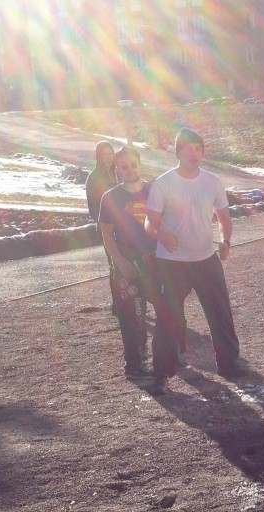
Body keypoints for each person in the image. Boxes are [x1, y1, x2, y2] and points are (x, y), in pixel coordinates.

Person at [145, 128, 244, 396]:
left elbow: (224, 218)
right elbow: (149, 223)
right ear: (178, 152)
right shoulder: (163, 183)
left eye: (199, 148)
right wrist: (161, 234)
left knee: (220, 312)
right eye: (189, 148)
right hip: (173, 263)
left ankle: (228, 364)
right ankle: (160, 375)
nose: (194, 153)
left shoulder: (212, 182)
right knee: (169, 319)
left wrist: (225, 242)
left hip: (205, 259)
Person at [98, 145, 156, 379]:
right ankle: (135, 363)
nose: (130, 170)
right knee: (131, 316)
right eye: (124, 166)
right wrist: (119, 262)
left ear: (140, 165)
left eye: (134, 164)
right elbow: (106, 234)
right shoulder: (110, 197)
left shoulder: (155, 191)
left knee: (169, 310)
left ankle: (171, 356)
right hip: (126, 263)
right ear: (117, 170)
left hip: (156, 261)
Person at [85, 140, 117, 223]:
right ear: (99, 156)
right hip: (105, 224)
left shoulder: (120, 174)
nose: (108, 157)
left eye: (110, 153)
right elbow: (93, 208)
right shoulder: (93, 178)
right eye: (104, 154)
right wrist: (104, 224)